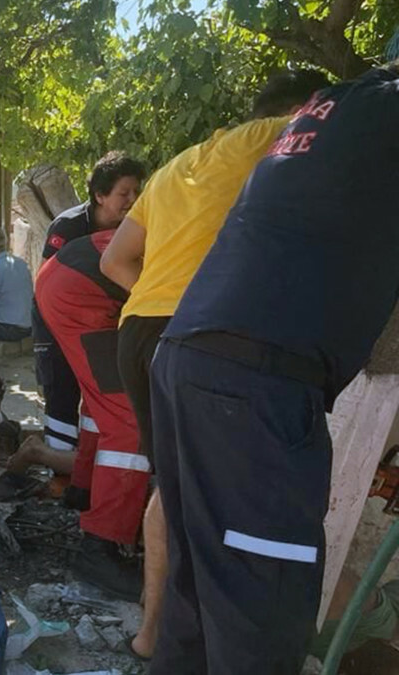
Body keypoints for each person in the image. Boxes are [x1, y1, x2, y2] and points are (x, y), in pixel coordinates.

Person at [147, 63, 399, 674]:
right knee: (262, 609)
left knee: (200, 594)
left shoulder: (340, 104)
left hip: (191, 357)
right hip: (255, 383)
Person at [98, 69, 331, 661]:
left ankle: (154, 635)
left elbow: (116, 262)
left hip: (142, 330)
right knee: (210, 496)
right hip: (201, 335)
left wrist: (165, 306)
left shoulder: (180, 164)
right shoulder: (283, 135)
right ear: (303, 110)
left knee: (172, 487)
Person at [36, 229, 148, 601]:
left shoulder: (189, 206)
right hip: (83, 292)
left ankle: (84, 491)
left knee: (103, 402)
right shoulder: (224, 238)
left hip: (65, 279)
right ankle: (101, 546)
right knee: (130, 422)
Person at [30, 152, 146, 486]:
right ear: (100, 195)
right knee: (61, 394)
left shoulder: (132, 228)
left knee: (98, 400)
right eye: (124, 193)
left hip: (102, 323)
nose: (132, 200)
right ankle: (57, 478)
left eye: (136, 192)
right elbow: (48, 284)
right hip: (56, 322)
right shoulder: (68, 226)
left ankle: (81, 477)